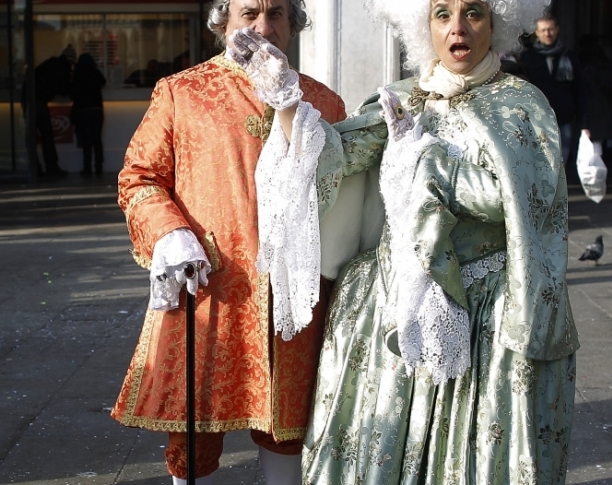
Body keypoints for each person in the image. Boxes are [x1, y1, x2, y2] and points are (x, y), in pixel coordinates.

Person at [226, 0, 579, 483]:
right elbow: (335, 155)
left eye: (473, 12)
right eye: (441, 13)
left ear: (496, 22)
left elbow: (525, 201)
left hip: (485, 311)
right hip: (397, 300)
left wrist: (428, 163)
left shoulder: (521, 104)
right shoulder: (402, 98)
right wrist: (286, 99)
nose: (457, 27)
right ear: (423, 26)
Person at [109, 0, 346, 484]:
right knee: (193, 433)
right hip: (210, 287)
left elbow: (344, 194)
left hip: (293, 295)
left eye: (276, 13)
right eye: (248, 14)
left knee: (288, 427)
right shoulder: (182, 92)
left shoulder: (322, 100)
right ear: (223, 22)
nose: (263, 27)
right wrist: (170, 232)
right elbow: (140, 178)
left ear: (294, 23)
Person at [520, 14, 586, 167]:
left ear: (557, 30)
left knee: (560, 163)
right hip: (537, 118)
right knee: (539, 162)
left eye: (550, 29)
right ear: (536, 32)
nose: (547, 34)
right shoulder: (527, 58)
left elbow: (579, 88)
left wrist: (584, 119)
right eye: (543, 30)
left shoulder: (569, 56)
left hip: (564, 118)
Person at [21, 44, 76, 177]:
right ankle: (51, 167)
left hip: (28, 98)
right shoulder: (63, 68)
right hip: (37, 101)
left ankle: (35, 168)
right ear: (71, 61)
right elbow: (64, 90)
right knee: (46, 135)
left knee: (33, 136)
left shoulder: (52, 63)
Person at [577, 36, 612, 161]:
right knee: (598, 150)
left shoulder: (584, 72)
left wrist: (584, 123)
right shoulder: (609, 69)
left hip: (591, 114)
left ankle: (596, 176)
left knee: (592, 153)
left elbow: (583, 96)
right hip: (607, 112)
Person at [70, 53, 106, 176]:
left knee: (87, 141)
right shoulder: (95, 73)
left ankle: (87, 168)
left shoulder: (77, 75)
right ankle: (99, 167)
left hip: (83, 110)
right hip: (97, 110)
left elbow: (72, 92)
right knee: (97, 140)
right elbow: (103, 82)